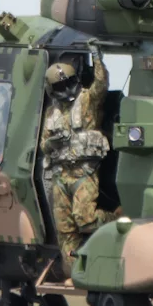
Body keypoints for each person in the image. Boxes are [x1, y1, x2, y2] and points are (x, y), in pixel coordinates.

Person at [40, 53, 111, 257]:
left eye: (68, 83)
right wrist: (52, 143)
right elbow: (45, 144)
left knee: (86, 219)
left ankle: (116, 221)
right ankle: (73, 270)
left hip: (84, 173)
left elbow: (102, 83)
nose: (65, 89)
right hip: (61, 176)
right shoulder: (52, 113)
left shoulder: (87, 99)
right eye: (59, 86)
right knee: (65, 229)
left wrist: (97, 57)